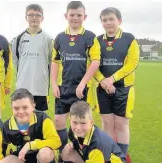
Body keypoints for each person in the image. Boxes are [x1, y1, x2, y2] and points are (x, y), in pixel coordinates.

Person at [51, 1, 100, 150]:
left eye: (79, 15)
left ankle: (80, 152)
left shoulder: (90, 37)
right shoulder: (59, 38)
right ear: (66, 16)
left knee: (80, 123)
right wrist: (54, 84)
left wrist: (83, 83)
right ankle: (63, 152)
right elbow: (55, 62)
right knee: (59, 121)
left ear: (84, 17)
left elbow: (95, 61)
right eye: (72, 15)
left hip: (81, 89)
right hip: (63, 87)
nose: (75, 18)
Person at [94, 7, 139, 156]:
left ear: (119, 20)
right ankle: (108, 155)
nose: (108, 23)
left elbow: (133, 63)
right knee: (107, 123)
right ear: (101, 23)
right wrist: (103, 81)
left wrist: (112, 79)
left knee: (121, 124)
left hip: (123, 89)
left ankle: (120, 157)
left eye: (111, 19)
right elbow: (92, 64)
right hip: (103, 88)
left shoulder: (129, 38)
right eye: (104, 20)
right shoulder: (97, 40)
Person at [0, 88, 61, 163]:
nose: (21, 112)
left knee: (45, 154)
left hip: (42, 156)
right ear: (12, 108)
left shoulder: (43, 119)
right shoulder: (7, 126)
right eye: (16, 108)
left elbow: (56, 142)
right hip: (22, 158)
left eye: (25, 107)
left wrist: (30, 145)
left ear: (33, 106)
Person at [11, 4, 53, 112]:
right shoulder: (18, 38)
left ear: (42, 18)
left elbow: (51, 61)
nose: (34, 17)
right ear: (26, 17)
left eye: (37, 15)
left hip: (41, 87)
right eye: (31, 15)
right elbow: (15, 60)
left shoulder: (48, 39)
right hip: (23, 86)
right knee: (22, 116)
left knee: (40, 118)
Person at [61, 101, 126, 163]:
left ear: (91, 122)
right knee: (66, 152)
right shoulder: (73, 131)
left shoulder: (97, 145)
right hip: (93, 157)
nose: (78, 128)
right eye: (75, 122)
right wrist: (73, 145)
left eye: (83, 123)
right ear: (70, 120)